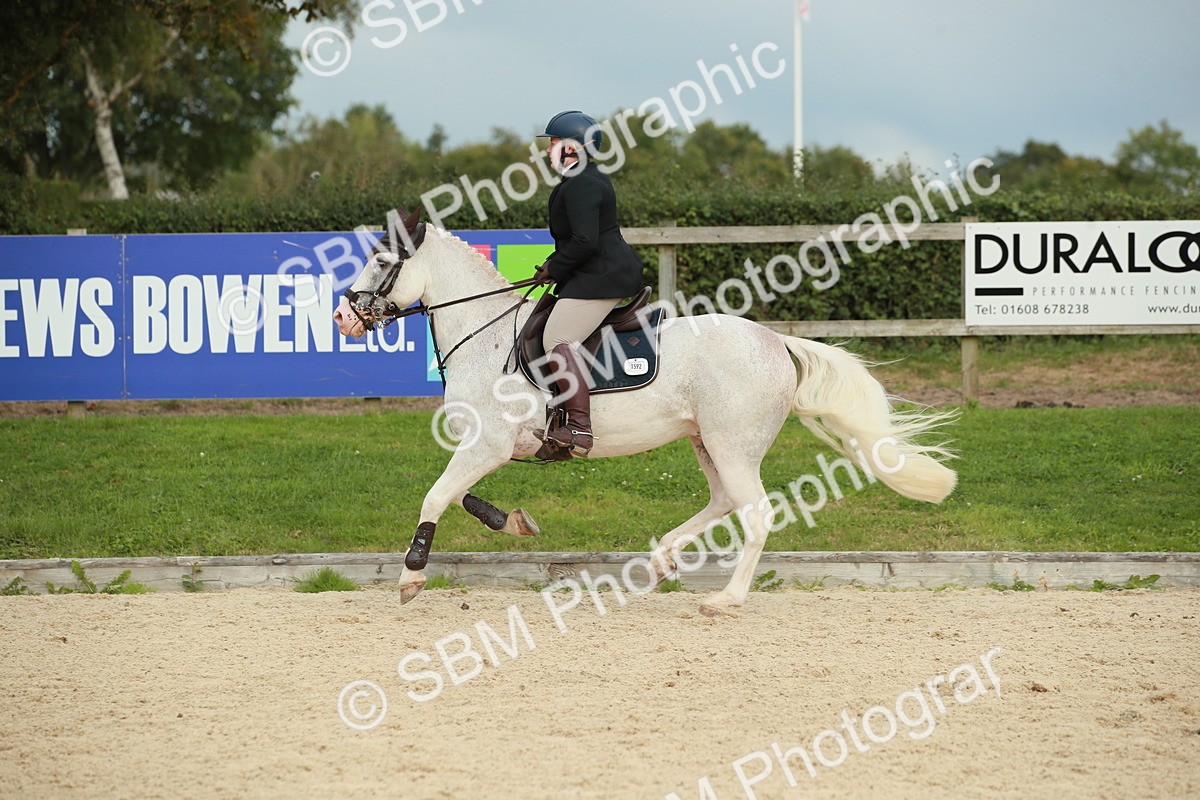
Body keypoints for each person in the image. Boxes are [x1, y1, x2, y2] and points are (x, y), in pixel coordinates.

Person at [532, 110, 644, 457]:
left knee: (557, 339)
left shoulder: (582, 183)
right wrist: (553, 267)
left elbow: (585, 241)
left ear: (573, 147)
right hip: (593, 273)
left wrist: (555, 267)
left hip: (603, 276)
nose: (548, 149)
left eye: (554, 142)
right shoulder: (579, 179)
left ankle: (579, 427)